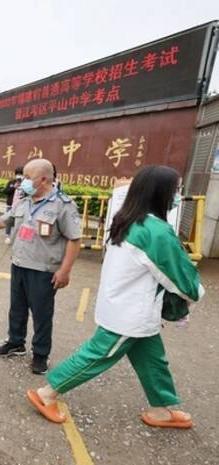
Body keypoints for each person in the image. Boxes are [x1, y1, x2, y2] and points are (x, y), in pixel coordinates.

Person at [27, 165, 204, 429]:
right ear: (161, 193)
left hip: (123, 304)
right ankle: (47, 393)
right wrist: (195, 293)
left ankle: (160, 409)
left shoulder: (128, 218)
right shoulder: (154, 230)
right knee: (99, 355)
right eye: (175, 190)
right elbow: (179, 276)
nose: (177, 196)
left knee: (153, 359)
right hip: (132, 312)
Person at [0, 159, 81, 375]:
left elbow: (74, 240)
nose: (22, 182)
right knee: (17, 308)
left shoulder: (63, 205)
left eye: (27, 177)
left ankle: (40, 355)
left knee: (41, 314)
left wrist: (64, 271)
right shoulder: (24, 201)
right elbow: (3, 221)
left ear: (43, 179)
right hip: (19, 264)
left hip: (44, 270)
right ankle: (16, 342)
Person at [2, 166, 24, 245]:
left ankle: (18, 237)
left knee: (20, 222)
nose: (19, 175)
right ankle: (8, 236)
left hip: (21, 207)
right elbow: (5, 191)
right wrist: (14, 187)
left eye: (21, 174)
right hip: (10, 206)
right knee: (8, 221)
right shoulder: (11, 182)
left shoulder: (26, 184)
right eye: (18, 174)